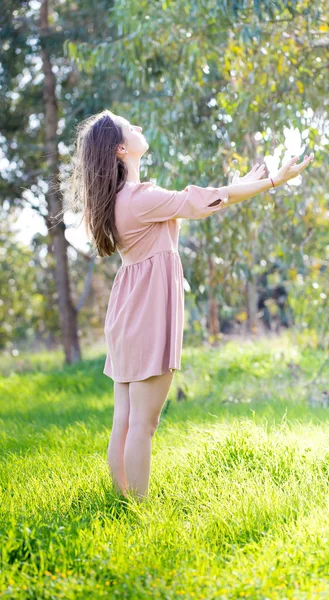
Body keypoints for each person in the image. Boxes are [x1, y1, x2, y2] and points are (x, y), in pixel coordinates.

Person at [63, 108, 314, 502]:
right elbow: (197, 202)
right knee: (144, 423)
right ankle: (139, 509)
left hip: (127, 310)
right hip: (145, 312)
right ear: (121, 148)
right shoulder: (140, 198)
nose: (140, 125)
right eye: (133, 126)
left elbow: (204, 199)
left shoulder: (119, 201)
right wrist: (270, 182)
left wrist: (244, 184)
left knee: (125, 420)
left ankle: (123, 500)